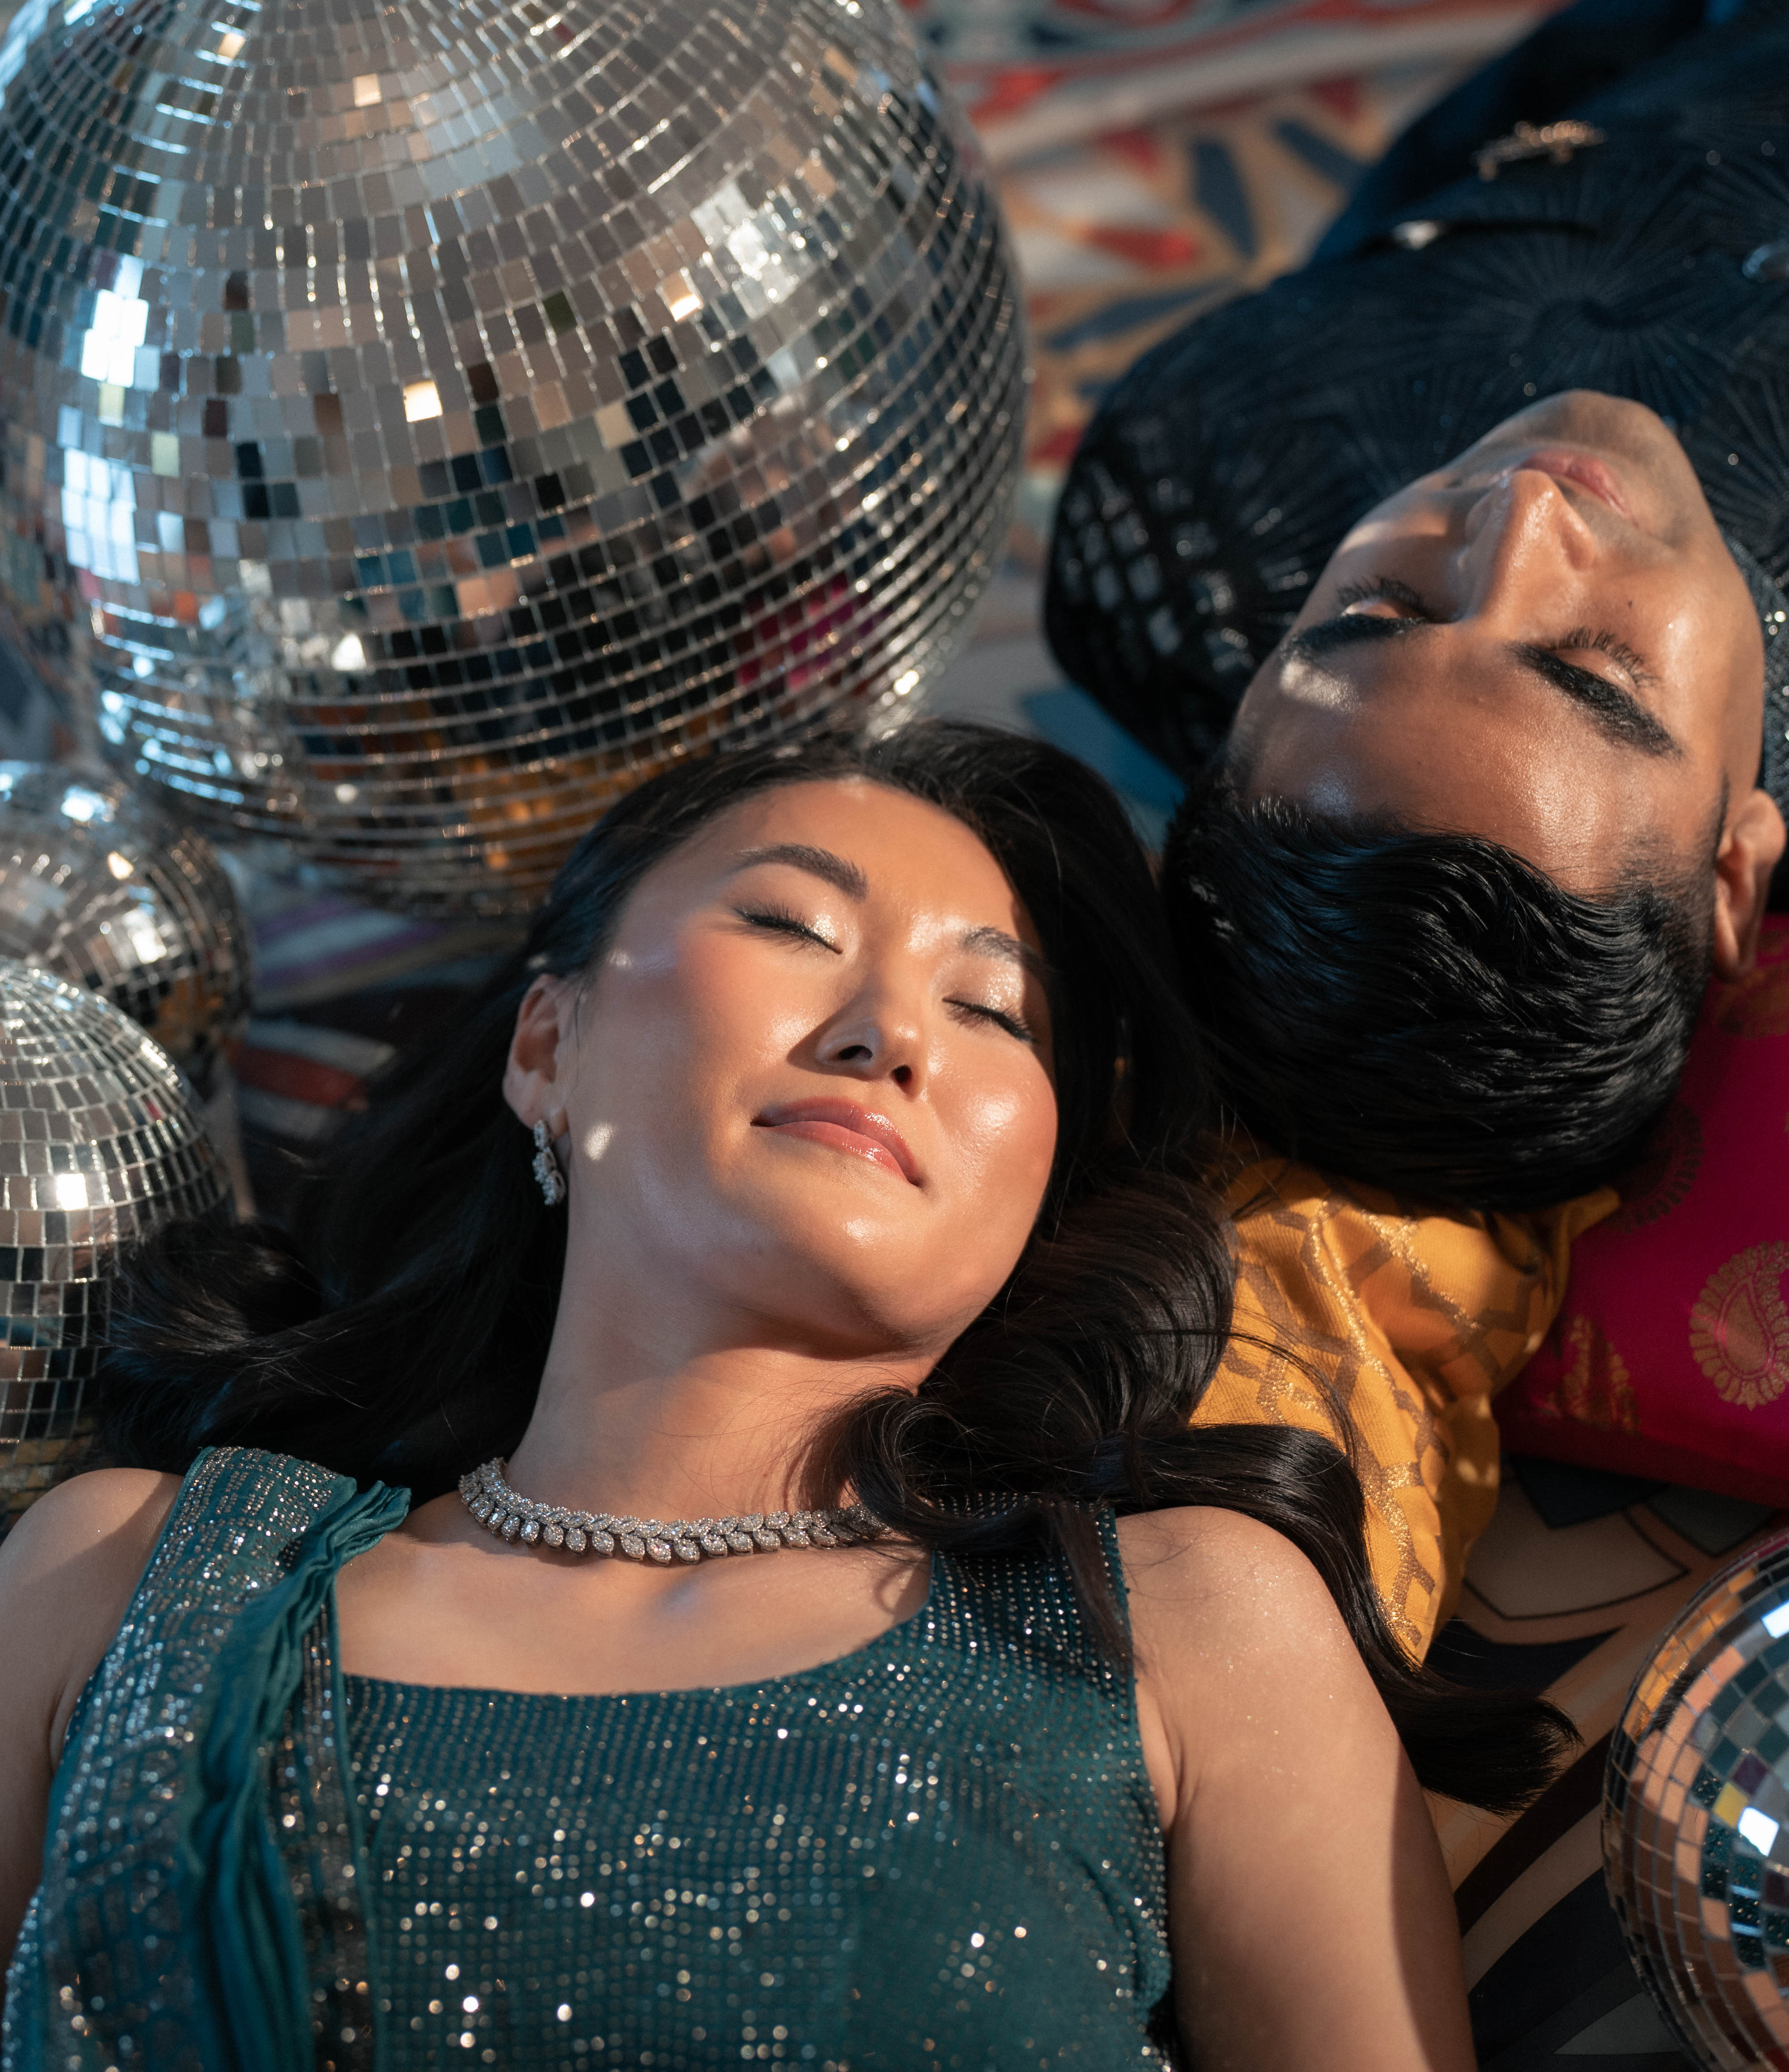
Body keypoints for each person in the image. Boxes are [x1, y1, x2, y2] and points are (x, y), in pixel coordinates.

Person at [0, 722, 1565, 2071]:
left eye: (994, 1011)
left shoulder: (1180, 1628)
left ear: (1040, 1190)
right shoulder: (127, 1579)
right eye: (791, 923)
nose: (891, 1034)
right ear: (549, 1041)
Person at [1045, 0, 1789, 1212]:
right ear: (1732, 872)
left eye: (1381, 605)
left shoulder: (1204, 493)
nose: (1520, 516)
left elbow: (1441, 213)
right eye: (1596, 667)